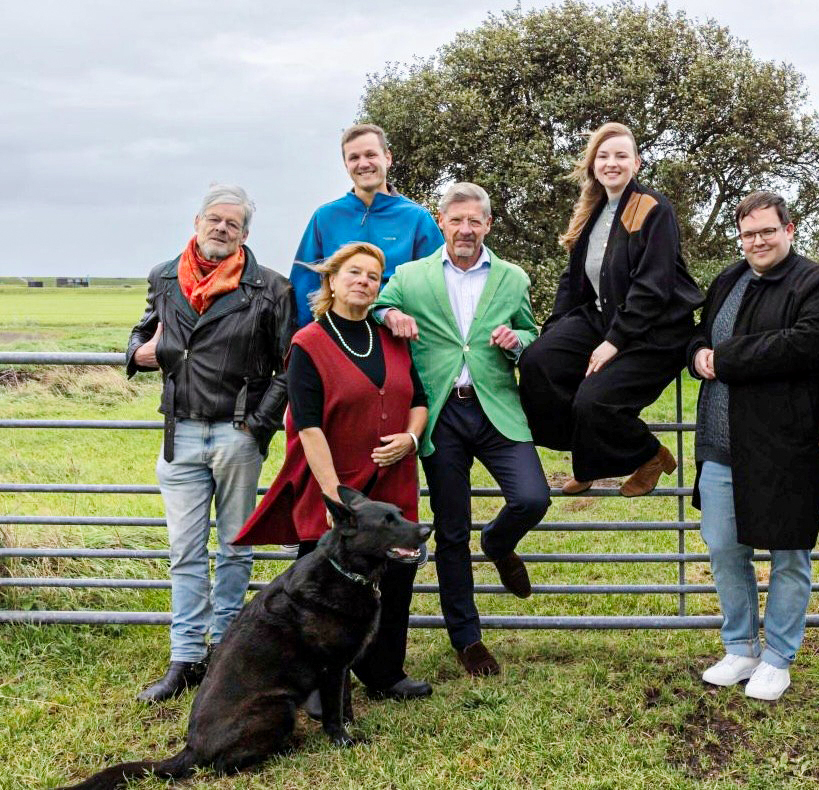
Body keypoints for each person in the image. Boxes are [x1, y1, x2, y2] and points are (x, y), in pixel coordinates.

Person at [233, 241, 432, 703]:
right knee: (322, 587)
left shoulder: (391, 338)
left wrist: (411, 438)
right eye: (354, 273)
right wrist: (334, 497)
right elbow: (308, 426)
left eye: (373, 276)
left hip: (392, 481)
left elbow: (419, 400)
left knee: (396, 577)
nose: (364, 281)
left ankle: (385, 673)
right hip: (336, 484)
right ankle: (317, 685)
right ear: (332, 281)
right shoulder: (309, 343)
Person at [125, 184, 294, 702]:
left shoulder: (271, 288)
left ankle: (224, 649)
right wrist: (138, 354)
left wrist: (258, 425)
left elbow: (289, 366)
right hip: (179, 431)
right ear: (197, 222)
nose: (222, 228)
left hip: (236, 432)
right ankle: (185, 657)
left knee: (236, 547)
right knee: (185, 550)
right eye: (214, 219)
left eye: (232, 223)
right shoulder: (164, 277)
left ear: (245, 234)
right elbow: (143, 332)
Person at [375, 182, 550, 676]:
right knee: (452, 530)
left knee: (533, 497)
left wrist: (518, 340)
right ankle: (467, 639)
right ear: (442, 224)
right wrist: (393, 314)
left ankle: (498, 543)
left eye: (475, 221)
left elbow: (531, 331)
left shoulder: (513, 277)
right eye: (456, 220)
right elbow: (377, 306)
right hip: (440, 412)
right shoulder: (411, 275)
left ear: (488, 224)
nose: (466, 229)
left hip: (497, 407)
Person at [689, 191, 819, 701]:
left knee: (788, 552)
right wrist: (697, 354)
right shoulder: (728, 279)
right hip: (721, 442)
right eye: (748, 233)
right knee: (723, 547)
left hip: (787, 445)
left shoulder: (817, 283)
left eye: (767, 231)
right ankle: (740, 648)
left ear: (789, 230)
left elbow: (804, 344)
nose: (757, 241)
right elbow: (700, 334)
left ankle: (778, 657)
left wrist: (724, 358)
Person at [518, 122, 703, 496]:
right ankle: (589, 455)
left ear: (637, 163)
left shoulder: (652, 208)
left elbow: (652, 287)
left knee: (594, 400)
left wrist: (613, 342)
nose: (611, 163)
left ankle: (650, 455)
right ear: (593, 164)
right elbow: (573, 280)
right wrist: (554, 330)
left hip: (657, 330)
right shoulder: (594, 210)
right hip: (605, 318)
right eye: (603, 156)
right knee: (538, 362)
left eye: (621, 155)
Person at [289, 123, 444, 329]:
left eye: (371, 155)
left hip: (395, 336)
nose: (363, 164)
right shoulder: (325, 217)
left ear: (387, 158)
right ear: (346, 164)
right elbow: (303, 286)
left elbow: (438, 287)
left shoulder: (417, 218)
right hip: (339, 334)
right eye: (354, 157)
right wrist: (304, 338)